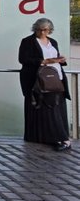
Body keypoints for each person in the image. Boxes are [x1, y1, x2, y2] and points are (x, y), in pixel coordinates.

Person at [18, 18, 71, 151]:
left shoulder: (53, 42)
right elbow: (23, 59)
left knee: (56, 108)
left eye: (45, 30)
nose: (42, 32)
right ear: (35, 29)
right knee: (44, 108)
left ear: (49, 30)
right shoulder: (27, 42)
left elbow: (55, 57)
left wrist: (60, 59)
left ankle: (61, 137)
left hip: (55, 78)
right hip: (38, 81)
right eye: (39, 30)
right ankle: (55, 138)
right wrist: (44, 61)